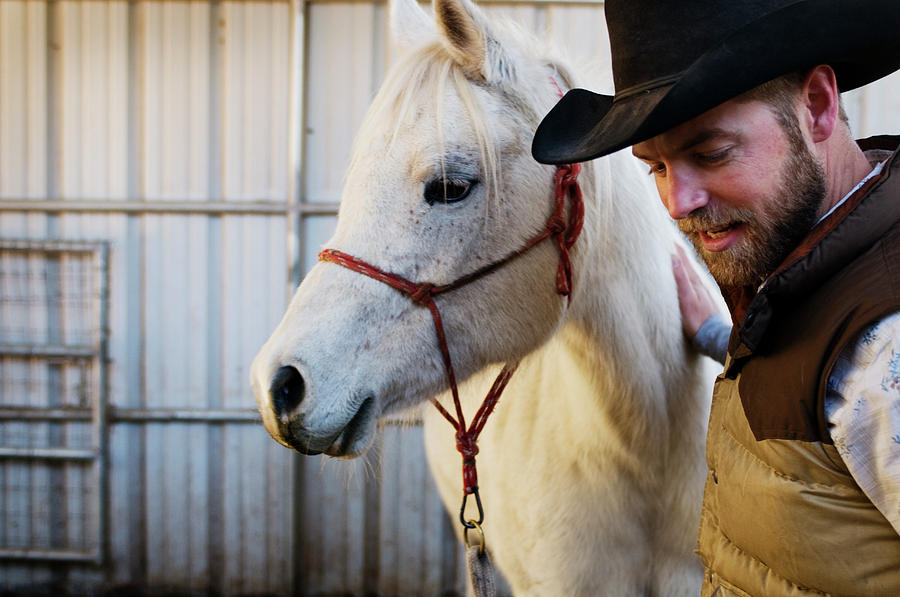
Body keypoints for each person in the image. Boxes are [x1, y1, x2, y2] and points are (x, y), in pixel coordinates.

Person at [532, 1, 900, 595]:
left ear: (817, 106)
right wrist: (716, 334)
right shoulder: (809, 275)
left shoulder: (886, 347)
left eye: (711, 154)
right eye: (654, 167)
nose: (678, 202)